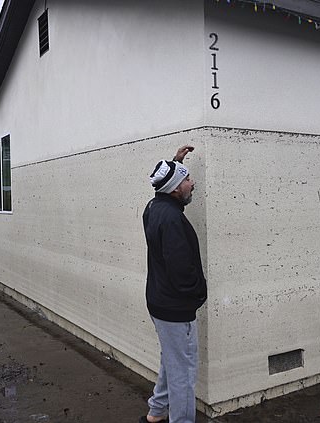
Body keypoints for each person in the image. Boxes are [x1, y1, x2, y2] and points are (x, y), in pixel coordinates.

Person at [140, 145, 208, 423]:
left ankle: (157, 411)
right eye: (187, 179)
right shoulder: (172, 220)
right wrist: (197, 296)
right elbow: (182, 272)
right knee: (183, 373)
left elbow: (163, 180)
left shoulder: (154, 206)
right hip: (175, 307)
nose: (193, 183)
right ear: (176, 189)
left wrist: (175, 163)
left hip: (159, 301)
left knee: (172, 359)